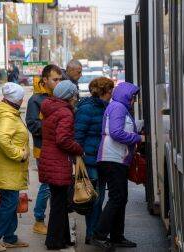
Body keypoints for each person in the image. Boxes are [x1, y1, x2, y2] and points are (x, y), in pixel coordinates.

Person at [92, 82, 143, 249]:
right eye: (133, 96)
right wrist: (137, 138)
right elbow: (115, 132)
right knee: (117, 198)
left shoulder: (118, 107)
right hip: (112, 159)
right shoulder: (119, 108)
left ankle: (117, 236)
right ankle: (99, 235)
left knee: (121, 198)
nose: (134, 100)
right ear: (126, 95)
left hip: (116, 159)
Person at [39, 80, 83, 250]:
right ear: (69, 96)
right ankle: (54, 241)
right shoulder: (65, 112)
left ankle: (62, 238)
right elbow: (63, 139)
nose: (76, 97)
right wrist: (78, 148)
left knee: (60, 202)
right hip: (58, 162)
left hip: (50, 159)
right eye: (74, 94)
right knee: (59, 204)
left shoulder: (50, 108)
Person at [74, 77, 114, 244]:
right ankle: (92, 233)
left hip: (102, 159)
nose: (112, 93)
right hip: (91, 160)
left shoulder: (105, 107)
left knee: (100, 197)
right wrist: (79, 160)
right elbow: (78, 136)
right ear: (104, 91)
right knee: (94, 199)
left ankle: (95, 232)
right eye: (110, 90)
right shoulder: (88, 109)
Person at [25, 64, 62, 235]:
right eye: (55, 79)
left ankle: (53, 220)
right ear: (45, 80)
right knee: (47, 185)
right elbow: (33, 124)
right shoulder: (35, 100)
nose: (58, 83)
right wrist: (54, 128)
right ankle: (39, 220)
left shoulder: (59, 95)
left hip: (58, 147)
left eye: (60, 79)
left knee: (55, 185)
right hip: (43, 149)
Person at [0, 82, 30, 252]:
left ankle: (10, 237)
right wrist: (19, 153)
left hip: (10, 168)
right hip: (9, 167)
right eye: (21, 97)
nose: (23, 100)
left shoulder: (8, 111)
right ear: (16, 99)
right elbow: (2, 138)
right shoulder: (8, 116)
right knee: (8, 203)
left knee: (11, 201)